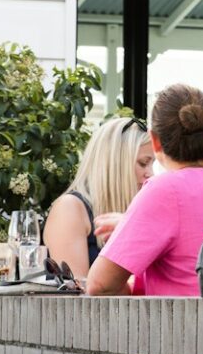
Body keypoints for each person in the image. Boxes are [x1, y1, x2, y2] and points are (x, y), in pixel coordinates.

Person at [87, 84, 203, 297]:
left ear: (155, 141)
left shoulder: (164, 190)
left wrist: (131, 288)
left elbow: (100, 285)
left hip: (187, 327)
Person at [43, 115, 154, 279]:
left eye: (152, 164)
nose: (150, 174)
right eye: (143, 163)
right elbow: (76, 294)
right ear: (115, 164)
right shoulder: (70, 209)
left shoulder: (140, 210)